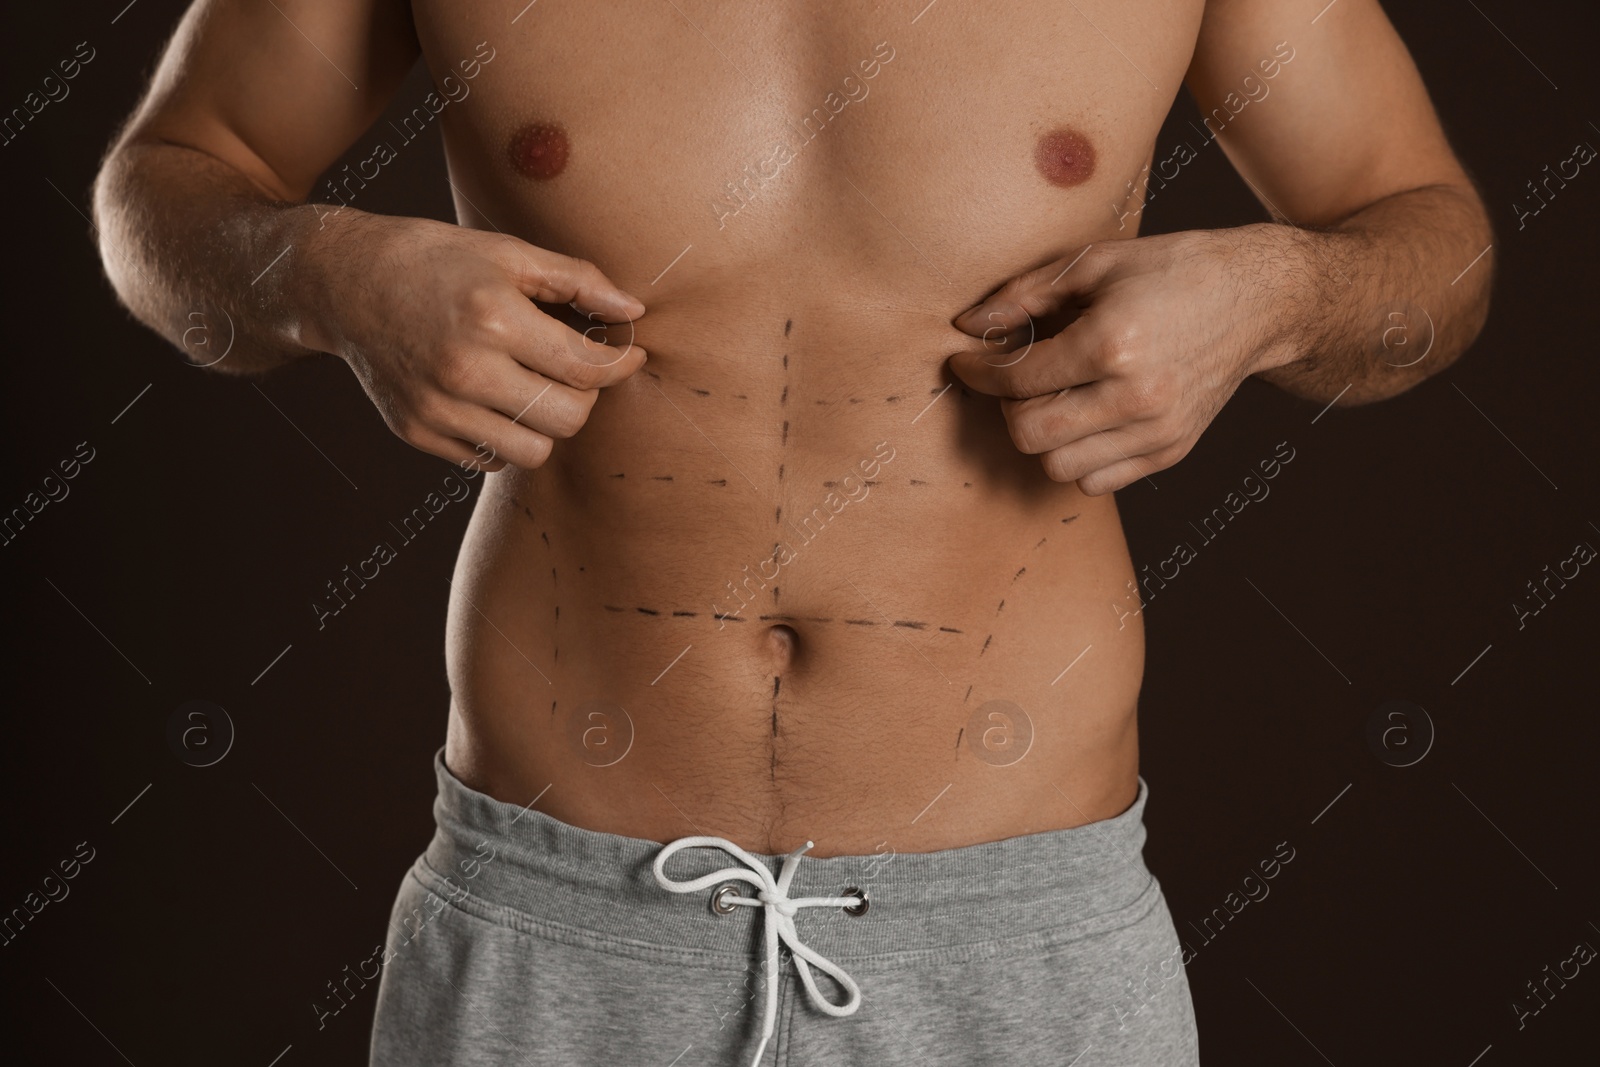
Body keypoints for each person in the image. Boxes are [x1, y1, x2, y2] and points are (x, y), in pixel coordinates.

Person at [91, 0, 1492, 1063]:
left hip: (1015, 946)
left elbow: (1435, 240)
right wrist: (327, 273)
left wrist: (1280, 293)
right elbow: (167, 177)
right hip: (560, 934)